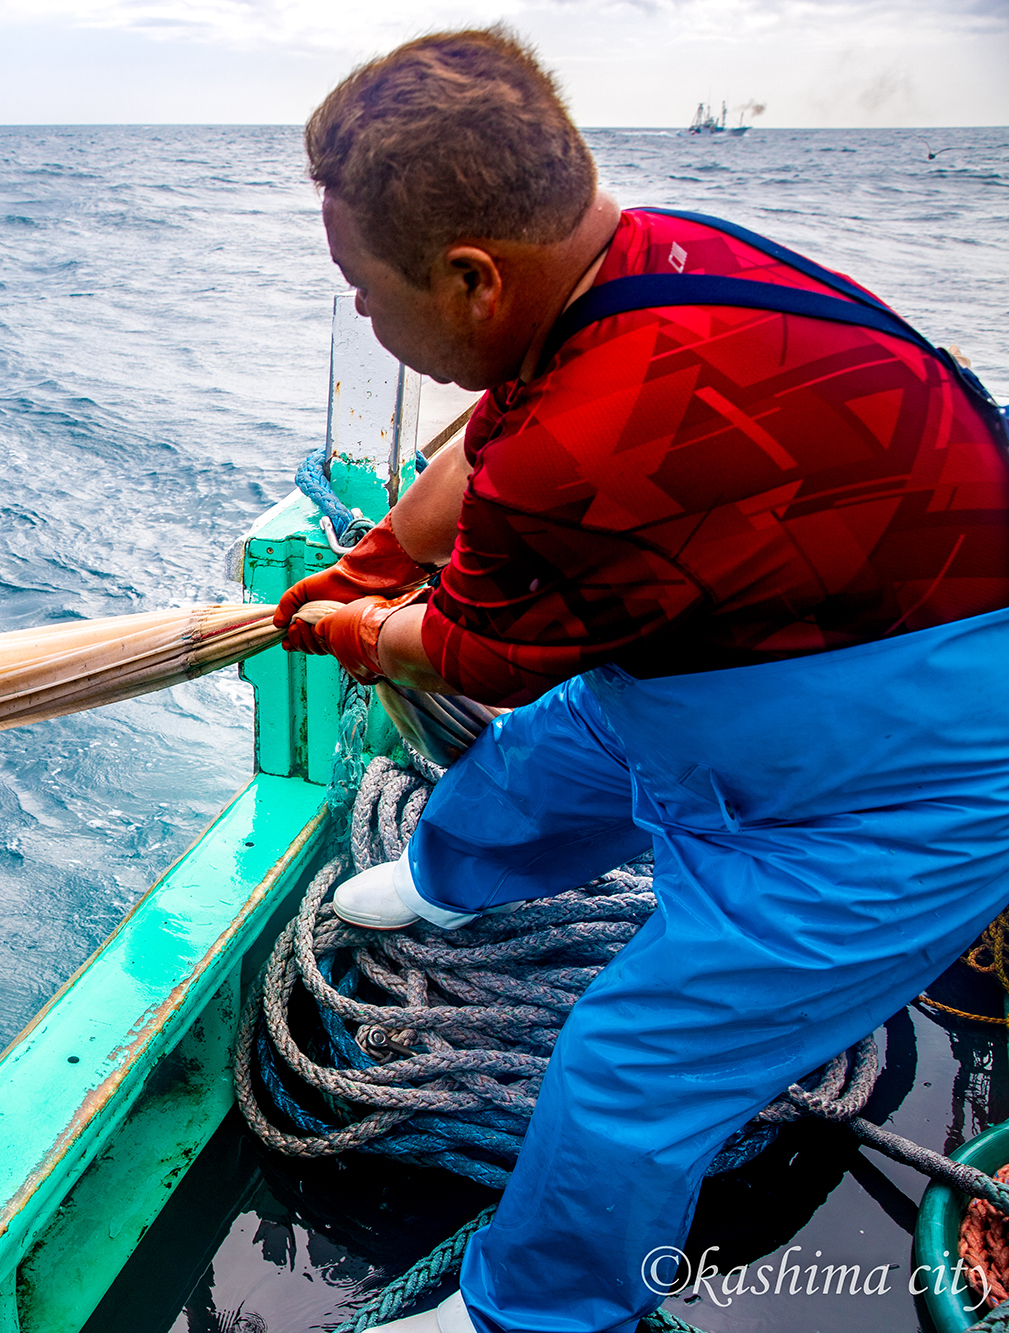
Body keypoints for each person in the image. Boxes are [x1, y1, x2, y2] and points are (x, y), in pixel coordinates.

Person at [272, 27, 1009, 1333]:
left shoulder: (588, 451)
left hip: (933, 764)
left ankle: (536, 1310)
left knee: (634, 1062)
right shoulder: (647, 256)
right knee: (556, 755)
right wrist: (383, 549)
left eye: (366, 294)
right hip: (772, 664)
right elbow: (492, 435)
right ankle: (448, 877)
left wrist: (345, 622)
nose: (366, 322)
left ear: (472, 278)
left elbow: (470, 651)